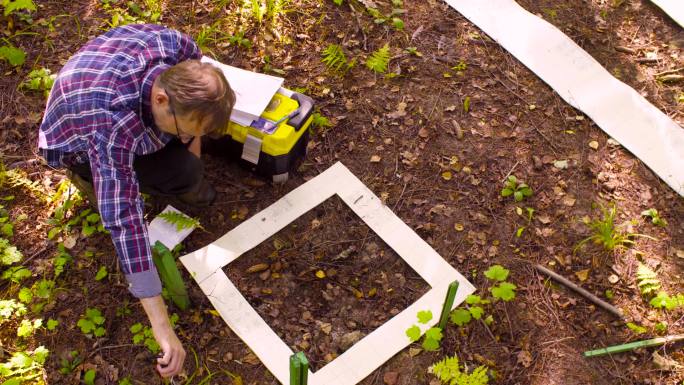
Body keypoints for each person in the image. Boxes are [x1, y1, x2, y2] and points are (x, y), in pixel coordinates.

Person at [38, 24, 235, 378]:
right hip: (76, 139)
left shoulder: (176, 47)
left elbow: (189, 111)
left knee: (188, 164)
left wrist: (190, 141)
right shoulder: (112, 125)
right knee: (182, 175)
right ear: (161, 99)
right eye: (186, 129)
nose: (191, 137)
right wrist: (163, 329)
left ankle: (180, 156)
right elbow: (125, 221)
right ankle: (86, 178)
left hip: (107, 85)